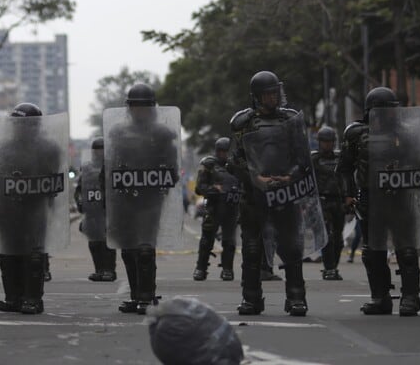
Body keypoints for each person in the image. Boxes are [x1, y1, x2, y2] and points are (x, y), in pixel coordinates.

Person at [230, 71, 322, 317]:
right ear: (257, 97)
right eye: (268, 94)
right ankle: (251, 299)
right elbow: (235, 160)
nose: (273, 98)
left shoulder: (290, 119)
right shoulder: (243, 123)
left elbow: (302, 157)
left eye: (275, 92)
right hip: (254, 197)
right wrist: (255, 177)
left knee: (291, 248)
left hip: (285, 195)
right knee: (252, 250)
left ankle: (296, 298)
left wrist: (290, 176)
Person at [338, 86, 420, 317]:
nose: (392, 115)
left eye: (393, 111)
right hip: (371, 198)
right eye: (387, 110)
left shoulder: (407, 133)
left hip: (400, 197)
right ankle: (380, 297)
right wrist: (348, 195)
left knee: (406, 250)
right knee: (373, 252)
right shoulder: (356, 135)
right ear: (373, 112)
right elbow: (344, 169)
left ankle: (411, 296)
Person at [105, 83, 181, 315]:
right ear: (129, 108)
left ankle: (147, 296)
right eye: (136, 106)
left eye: (144, 106)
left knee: (146, 248)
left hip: (150, 200)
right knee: (128, 249)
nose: (140, 111)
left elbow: (171, 169)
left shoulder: (162, 134)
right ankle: (136, 294)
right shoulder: (117, 133)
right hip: (124, 200)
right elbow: (110, 167)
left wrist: (159, 179)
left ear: (152, 107)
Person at [0, 102, 68, 315]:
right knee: (7, 254)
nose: (21, 128)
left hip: (35, 209)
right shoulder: (6, 148)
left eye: (25, 124)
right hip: (10, 210)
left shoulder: (48, 148)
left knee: (33, 254)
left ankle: (33, 299)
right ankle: (13, 298)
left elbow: (54, 181)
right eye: (18, 124)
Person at [192, 137, 240, 282]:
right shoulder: (209, 165)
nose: (223, 154)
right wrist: (214, 189)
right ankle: (201, 268)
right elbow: (199, 188)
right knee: (207, 240)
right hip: (214, 207)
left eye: (225, 151)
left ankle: (227, 269)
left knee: (229, 241)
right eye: (220, 151)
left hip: (231, 208)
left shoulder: (237, 165)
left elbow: (245, 184)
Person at [75, 137, 117, 282]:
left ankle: (109, 270)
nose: (99, 153)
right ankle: (99, 270)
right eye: (97, 150)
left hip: (106, 211)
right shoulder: (86, 168)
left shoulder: (112, 167)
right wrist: (80, 202)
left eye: (102, 150)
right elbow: (79, 189)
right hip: (91, 212)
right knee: (94, 243)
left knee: (107, 242)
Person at [312, 126, 344, 280]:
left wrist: (350, 197)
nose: (327, 145)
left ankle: (333, 267)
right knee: (328, 237)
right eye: (324, 141)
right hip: (321, 201)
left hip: (338, 201)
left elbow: (347, 178)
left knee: (338, 239)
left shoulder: (340, 159)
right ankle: (329, 268)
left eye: (330, 141)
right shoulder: (313, 159)